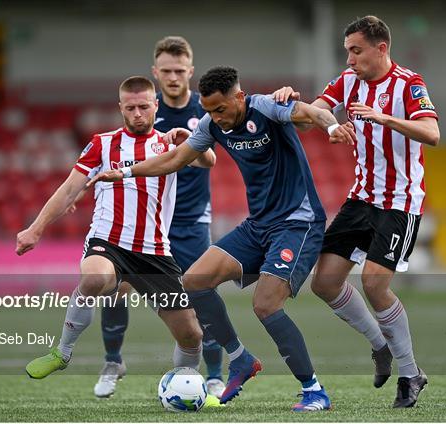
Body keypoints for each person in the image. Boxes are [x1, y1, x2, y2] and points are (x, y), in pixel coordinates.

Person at [87, 66, 356, 412]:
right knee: (195, 280)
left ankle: (313, 389)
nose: (216, 118)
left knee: (265, 304)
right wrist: (124, 172)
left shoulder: (266, 106)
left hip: (297, 222)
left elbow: (311, 112)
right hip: (259, 225)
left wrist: (332, 126)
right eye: (210, 111)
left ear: (239, 97)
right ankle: (241, 359)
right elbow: (173, 159)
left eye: (221, 109)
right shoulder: (212, 125)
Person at [273, 15, 439, 408]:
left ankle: (411, 374)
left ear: (381, 48)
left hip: (400, 203)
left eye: (356, 50)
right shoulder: (347, 83)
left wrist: (384, 118)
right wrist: (292, 102)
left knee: (375, 284)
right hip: (361, 198)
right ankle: (380, 343)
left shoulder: (409, 84)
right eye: (347, 51)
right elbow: (308, 116)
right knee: (324, 283)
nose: (349, 60)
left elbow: (432, 133)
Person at [17, 76, 217, 381]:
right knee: (95, 277)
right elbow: (70, 188)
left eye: (143, 106)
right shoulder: (102, 143)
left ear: (156, 105)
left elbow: (208, 161)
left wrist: (190, 141)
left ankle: (183, 381)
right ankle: (62, 352)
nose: (137, 113)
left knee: (191, 335)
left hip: (154, 252)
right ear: (120, 108)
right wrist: (35, 229)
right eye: (130, 107)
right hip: (108, 241)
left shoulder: (170, 142)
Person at [93, 36, 226, 400]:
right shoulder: (145, 111)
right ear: (155, 73)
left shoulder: (205, 110)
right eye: (165, 70)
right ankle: (112, 361)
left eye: (179, 71)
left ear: (190, 72)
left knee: (202, 293)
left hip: (191, 221)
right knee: (114, 287)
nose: (172, 77)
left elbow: (213, 154)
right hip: (146, 224)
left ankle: (214, 374)